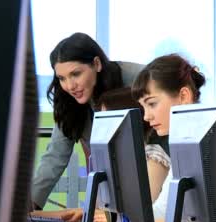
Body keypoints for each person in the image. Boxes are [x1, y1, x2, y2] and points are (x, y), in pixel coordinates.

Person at [31, 32, 143, 212]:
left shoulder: (139, 79)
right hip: (107, 187)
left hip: (152, 179)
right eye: (61, 78)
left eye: (75, 74)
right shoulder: (67, 100)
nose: (69, 86)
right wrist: (28, 205)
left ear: (97, 64)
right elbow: (55, 156)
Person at [131, 54, 206, 222]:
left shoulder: (207, 147)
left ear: (183, 96)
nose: (146, 116)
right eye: (143, 107)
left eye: (152, 104)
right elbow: (163, 211)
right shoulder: (186, 146)